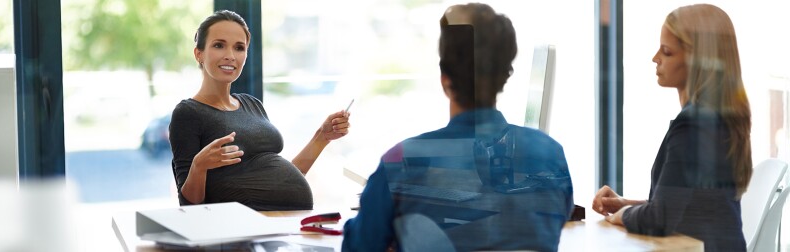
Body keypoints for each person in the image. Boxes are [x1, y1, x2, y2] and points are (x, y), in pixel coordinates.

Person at [342, 3, 573, 252]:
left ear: (445, 80)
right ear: (505, 76)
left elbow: (359, 246)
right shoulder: (552, 154)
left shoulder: (401, 161)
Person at [591, 4, 751, 251]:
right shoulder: (714, 118)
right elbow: (686, 205)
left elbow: (661, 218)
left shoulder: (694, 125)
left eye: (666, 52)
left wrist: (622, 215)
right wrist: (624, 204)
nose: (655, 58)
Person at [169, 10, 350, 211]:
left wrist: (322, 137)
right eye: (219, 45)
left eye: (239, 48)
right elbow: (189, 205)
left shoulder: (252, 104)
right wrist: (199, 166)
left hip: (286, 225)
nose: (230, 56)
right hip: (241, 232)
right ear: (199, 54)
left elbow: (286, 177)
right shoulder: (188, 113)